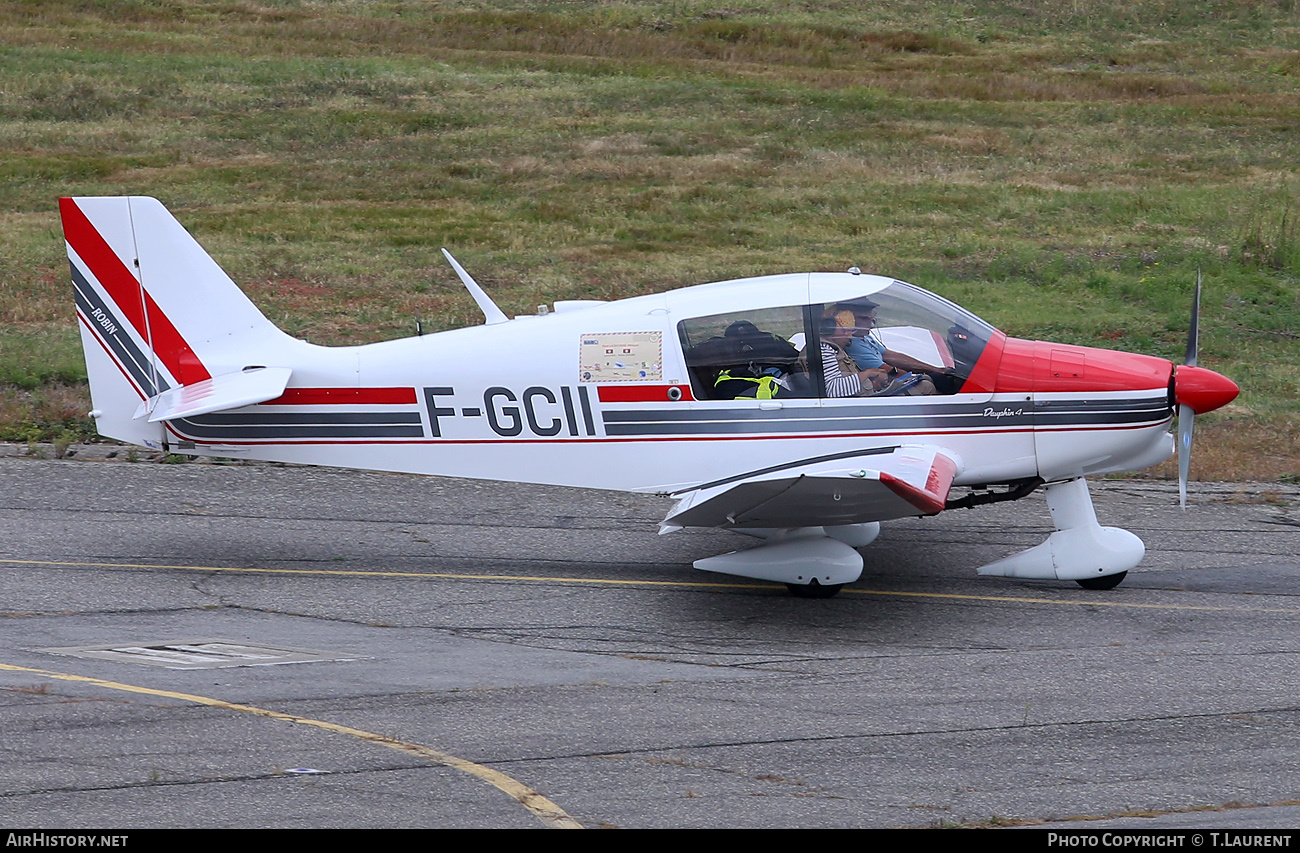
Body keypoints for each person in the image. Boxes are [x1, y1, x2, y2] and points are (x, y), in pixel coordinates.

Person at [839, 299, 946, 396]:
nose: (871, 325)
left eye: (872, 318)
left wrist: (933, 369)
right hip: (877, 391)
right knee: (926, 386)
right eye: (864, 318)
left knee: (933, 378)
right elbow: (890, 373)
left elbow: (890, 356)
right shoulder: (852, 344)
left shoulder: (864, 336)